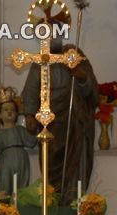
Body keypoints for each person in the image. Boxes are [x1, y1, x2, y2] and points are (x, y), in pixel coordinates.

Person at [22, 40, 98, 205]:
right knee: (51, 173)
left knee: (74, 174)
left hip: (74, 124)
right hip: (50, 124)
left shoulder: (75, 56)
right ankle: (53, 205)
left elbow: (92, 94)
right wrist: (29, 114)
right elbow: (30, 91)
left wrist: (80, 76)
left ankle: (73, 205)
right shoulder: (40, 61)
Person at [0, 91, 37, 195]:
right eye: (6, 110)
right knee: (5, 180)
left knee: (22, 183)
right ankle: (5, 205)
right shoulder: (0, 133)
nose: (9, 112)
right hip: (6, 160)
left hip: (21, 158)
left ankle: (21, 203)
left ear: (17, 114)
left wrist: (32, 131)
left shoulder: (20, 130)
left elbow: (31, 142)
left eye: (12, 110)